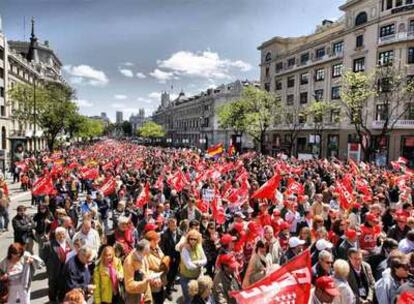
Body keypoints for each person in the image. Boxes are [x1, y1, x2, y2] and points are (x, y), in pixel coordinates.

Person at [123, 239, 161, 304]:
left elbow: (146, 271)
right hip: (134, 296)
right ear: (142, 250)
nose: (149, 252)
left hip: (145, 292)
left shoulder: (143, 256)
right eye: (147, 250)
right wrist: (145, 281)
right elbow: (129, 285)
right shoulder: (129, 262)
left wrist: (154, 278)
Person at [42, 226, 72, 303]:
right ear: (55, 235)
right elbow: (44, 258)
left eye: (63, 234)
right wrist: (50, 267)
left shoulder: (68, 243)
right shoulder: (48, 245)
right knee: (53, 289)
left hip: (65, 271)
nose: (61, 236)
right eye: (59, 234)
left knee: (63, 289)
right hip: (54, 272)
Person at [179, 229, 207, 304]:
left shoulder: (199, 246)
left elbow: (205, 260)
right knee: (188, 298)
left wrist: (196, 262)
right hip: (186, 277)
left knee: (195, 297)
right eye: (191, 239)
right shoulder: (185, 249)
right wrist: (199, 264)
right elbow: (189, 266)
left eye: (195, 239)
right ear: (188, 239)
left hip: (196, 276)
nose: (193, 241)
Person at [160, 217, 181, 300]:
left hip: (177, 257)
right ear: (168, 225)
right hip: (169, 258)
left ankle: (171, 286)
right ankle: (168, 291)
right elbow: (163, 247)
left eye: (174, 224)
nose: (173, 226)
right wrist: (166, 257)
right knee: (169, 275)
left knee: (175, 273)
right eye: (171, 225)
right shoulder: (165, 235)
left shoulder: (180, 233)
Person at [145, 230, 168, 304]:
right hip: (154, 283)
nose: (158, 242)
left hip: (161, 279)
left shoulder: (156, 246)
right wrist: (154, 276)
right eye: (156, 240)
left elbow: (162, 255)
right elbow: (145, 269)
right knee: (156, 300)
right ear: (150, 241)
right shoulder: (145, 253)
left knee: (161, 298)